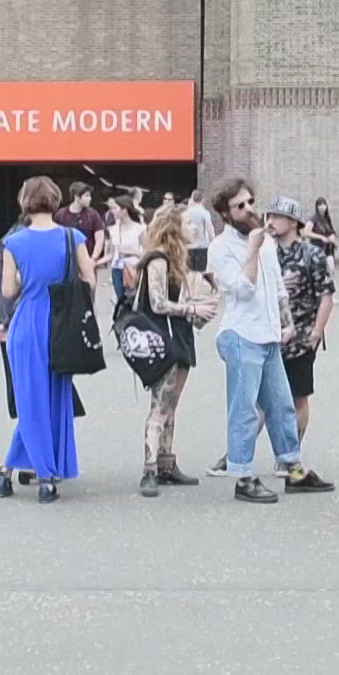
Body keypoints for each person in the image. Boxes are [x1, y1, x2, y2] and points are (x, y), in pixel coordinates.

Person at [206, 179, 333, 503]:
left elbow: (277, 288)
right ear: (225, 213)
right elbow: (243, 288)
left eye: (250, 201)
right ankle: (243, 476)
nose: (249, 209)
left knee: (281, 405)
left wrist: (286, 324)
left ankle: (293, 469)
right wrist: (251, 248)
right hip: (241, 335)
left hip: (269, 336)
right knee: (244, 409)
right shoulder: (221, 247)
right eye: (240, 206)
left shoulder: (266, 243)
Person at [0, 176, 88, 503]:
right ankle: (44, 472)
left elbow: (8, 290)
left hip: (27, 323)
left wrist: (29, 276)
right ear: (56, 200)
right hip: (60, 322)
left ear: (25, 202)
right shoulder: (73, 237)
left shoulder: (14, 243)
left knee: (30, 399)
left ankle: (12, 470)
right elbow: (89, 278)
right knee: (54, 398)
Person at [127, 206, 214, 496]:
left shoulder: (175, 259)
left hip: (178, 335)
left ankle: (166, 463)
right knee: (160, 406)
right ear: (174, 227)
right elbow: (157, 303)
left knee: (170, 406)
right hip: (164, 339)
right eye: (188, 222)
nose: (194, 227)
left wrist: (197, 311)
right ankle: (150, 469)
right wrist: (193, 309)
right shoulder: (158, 259)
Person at [268, 197, 332, 445]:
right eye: (269, 216)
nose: (271, 221)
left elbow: (326, 296)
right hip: (269, 335)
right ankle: (239, 453)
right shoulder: (266, 253)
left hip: (300, 339)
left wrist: (315, 333)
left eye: (277, 217)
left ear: (293, 222)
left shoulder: (311, 254)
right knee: (264, 398)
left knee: (297, 396)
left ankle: (292, 449)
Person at [54, 182, 109, 273]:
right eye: (87, 196)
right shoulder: (61, 215)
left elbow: (100, 239)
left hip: (88, 260)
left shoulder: (93, 214)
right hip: (66, 263)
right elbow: (55, 238)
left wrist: (93, 259)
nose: (90, 199)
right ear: (77, 197)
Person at [103, 193, 146, 305]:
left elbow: (148, 252)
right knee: (120, 301)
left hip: (133, 267)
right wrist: (95, 262)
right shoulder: (112, 229)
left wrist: (132, 251)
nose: (112, 211)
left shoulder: (139, 228)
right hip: (117, 268)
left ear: (124, 210)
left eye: (115, 208)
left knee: (133, 300)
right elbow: (111, 253)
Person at [184, 189, 215, 273]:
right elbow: (209, 228)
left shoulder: (186, 212)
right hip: (202, 246)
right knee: (200, 273)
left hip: (188, 247)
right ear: (203, 200)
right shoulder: (205, 212)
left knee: (189, 273)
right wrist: (213, 242)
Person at [307, 197, 339, 274]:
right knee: (320, 272)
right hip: (317, 249)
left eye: (324, 204)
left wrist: (333, 237)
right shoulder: (314, 218)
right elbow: (306, 232)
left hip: (328, 249)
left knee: (331, 271)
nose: (322, 206)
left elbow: (331, 231)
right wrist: (321, 237)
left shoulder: (327, 218)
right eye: (320, 204)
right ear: (317, 206)